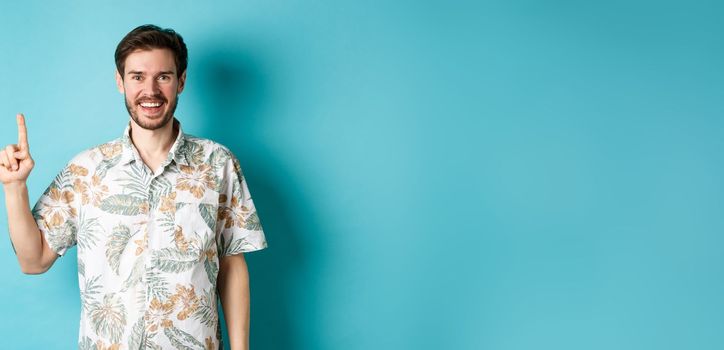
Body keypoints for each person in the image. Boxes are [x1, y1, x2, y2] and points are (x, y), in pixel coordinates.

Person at [0, 24, 267, 349]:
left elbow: (232, 264)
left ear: (181, 81)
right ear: (120, 81)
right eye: (138, 77)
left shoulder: (218, 164)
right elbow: (33, 260)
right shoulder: (86, 170)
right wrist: (14, 188)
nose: (150, 90)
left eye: (163, 77)